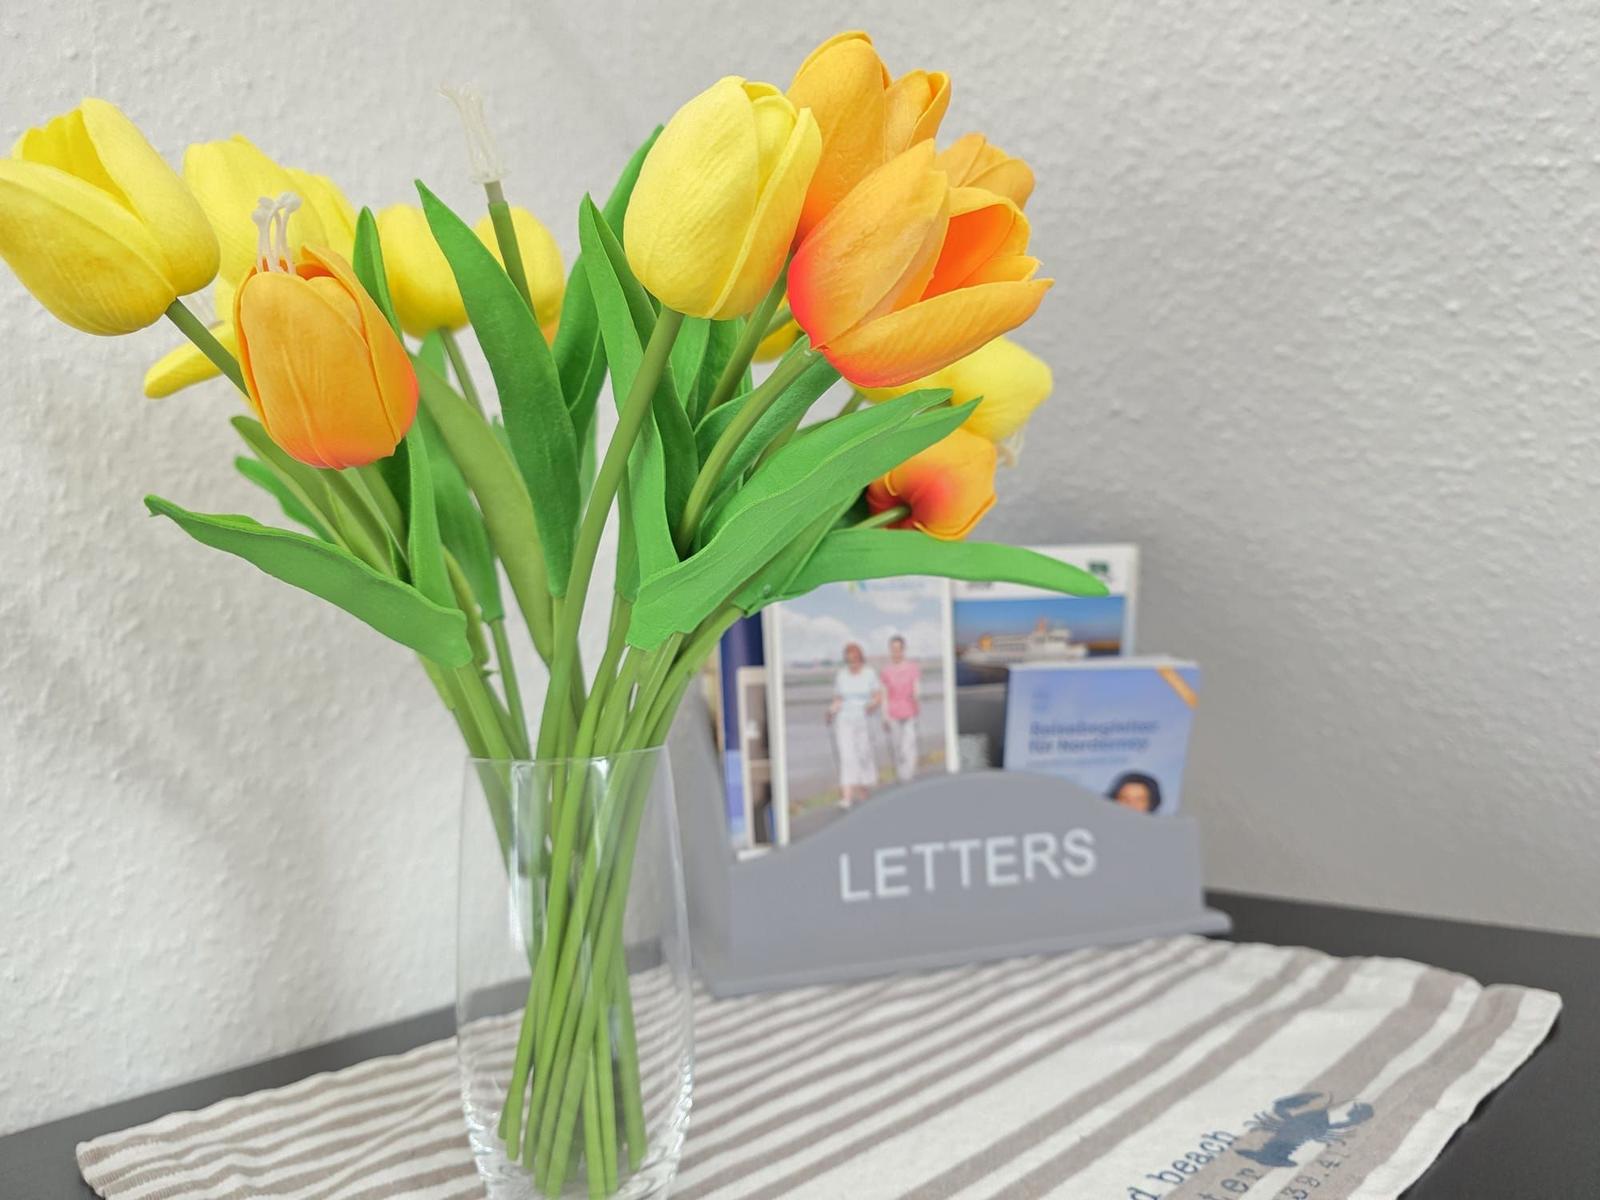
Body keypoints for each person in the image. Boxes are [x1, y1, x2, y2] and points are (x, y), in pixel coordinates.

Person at [826, 642, 882, 807]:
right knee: (847, 756)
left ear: (860, 658)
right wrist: (831, 711)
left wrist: (872, 705)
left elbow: (878, 696)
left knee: (863, 754)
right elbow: (838, 699)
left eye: (855, 659)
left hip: (864, 718)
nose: (853, 663)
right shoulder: (841, 675)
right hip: (844, 719)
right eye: (849, 660)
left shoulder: (869, 674)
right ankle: (847, 796)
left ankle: (864, 788)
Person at [878, 634, 922, 782]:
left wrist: (916, 699)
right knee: (897, 747)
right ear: (890, 651)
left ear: (903, 650)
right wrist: (884, 716)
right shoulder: (886, 671)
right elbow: (884, 695)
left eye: (898, 649)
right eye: (893, 649)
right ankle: (901, 775)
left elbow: (916, 688)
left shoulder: (912, 668)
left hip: (910, 711)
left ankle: (909, 775)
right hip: (893, 712)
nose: (896, 652)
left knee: (909, 745)